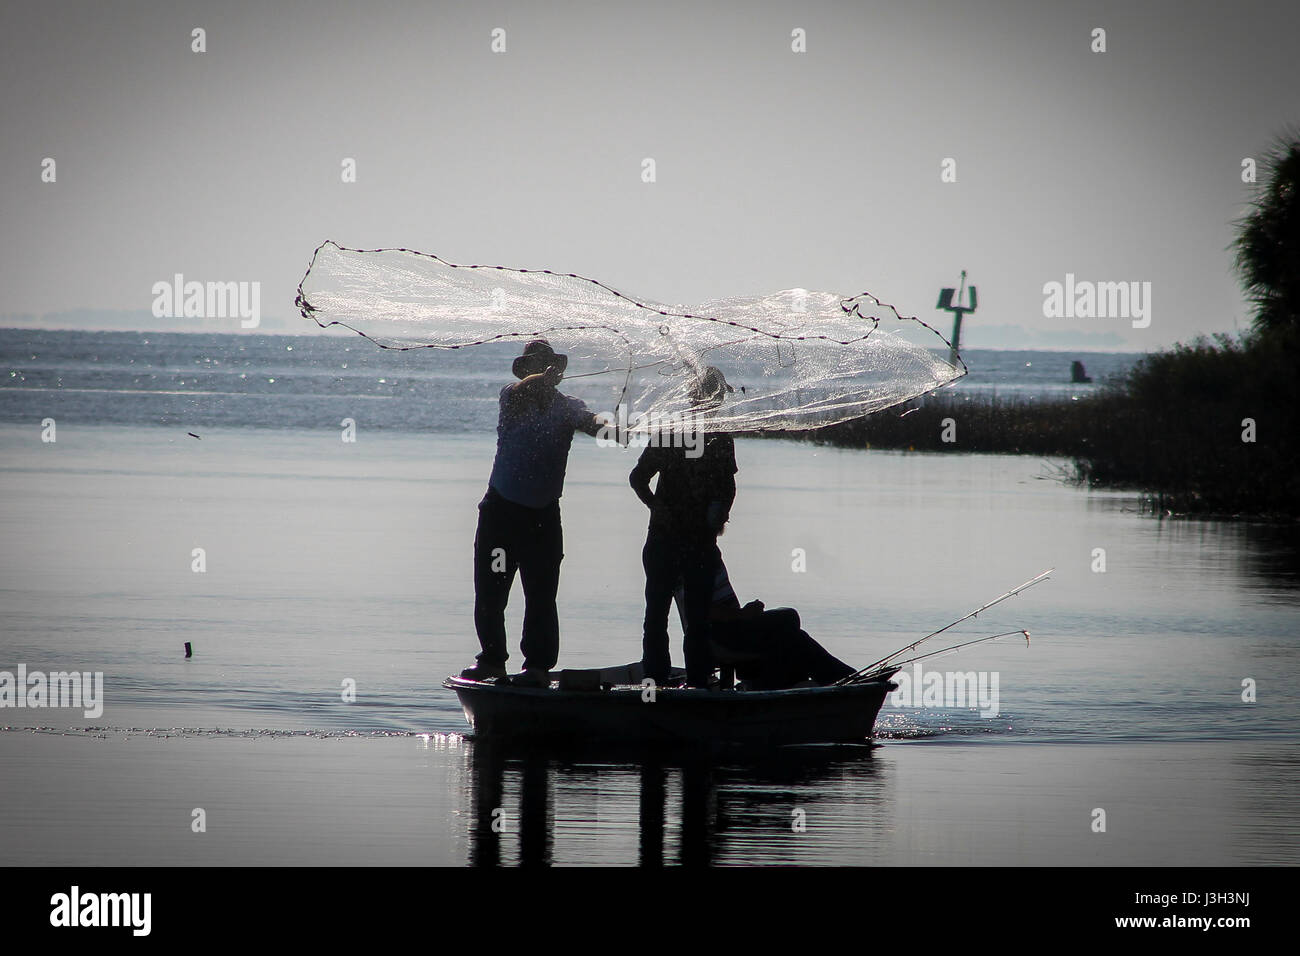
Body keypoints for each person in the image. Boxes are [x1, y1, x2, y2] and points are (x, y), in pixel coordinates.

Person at [461, 339, 606, 687]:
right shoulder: (512, 397)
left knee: (541, 596)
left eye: (548, 367)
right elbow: (527, 387)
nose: (542, 373)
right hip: (501, 514)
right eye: (536, 366)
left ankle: (537, 668)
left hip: (543, 518)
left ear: (558, 375)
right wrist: (542, 375)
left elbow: (599, 426)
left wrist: (620, 426)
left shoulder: (569, 408)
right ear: (526, 371)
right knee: (491, 593)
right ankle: (493, 661)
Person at [629, 366, 737, 688]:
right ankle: (699, 682)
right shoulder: (720, 438)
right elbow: (727, 491)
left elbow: (637, 478)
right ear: (715, 398)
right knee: (698, 619)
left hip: (663, 538)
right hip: (697, 542)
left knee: (656, 616)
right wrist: (715, 520)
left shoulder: (670, 432)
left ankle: (655, 682)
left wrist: (656, 506)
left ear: (691, 396)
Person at [672, 556, 855, 690]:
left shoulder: (705, 550)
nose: (724, 518)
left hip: (731, 626)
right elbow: (700, 609)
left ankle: (842, 679)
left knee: (793, 639)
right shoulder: (694, 554)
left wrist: (744, 615)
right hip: (720, 633)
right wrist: (743, 614)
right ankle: (846, 679)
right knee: (789, 619)